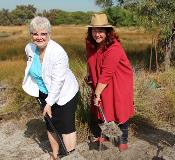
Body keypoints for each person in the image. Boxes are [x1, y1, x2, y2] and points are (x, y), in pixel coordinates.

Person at [22, 16, 79, 160]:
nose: (39, 37)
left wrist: (49, 103)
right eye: (35, 33)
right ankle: (55, 155)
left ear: (49, 34)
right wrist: (41, 95)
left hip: (65, 94)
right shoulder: (29, 48)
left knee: (66, 127)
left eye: (43, 33)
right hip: (43, 92)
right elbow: (32, 69)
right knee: (50, 124)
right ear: (31, 35)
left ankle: (70, 156)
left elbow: (58, 82)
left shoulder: (58, 53)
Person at [85, 13, 134, 152]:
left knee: (120, 110)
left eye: (101, 30)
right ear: (90, 31)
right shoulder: (90, 45)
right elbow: (91, 61)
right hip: (101, 81)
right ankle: (108, 136)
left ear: (107, 31)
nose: (97, 34)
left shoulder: (114, 48)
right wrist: (90, 75)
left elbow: (107, 73)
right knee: (102, 109)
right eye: (94, 30)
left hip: (118, 82)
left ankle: (122, 140)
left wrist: (97, 93)